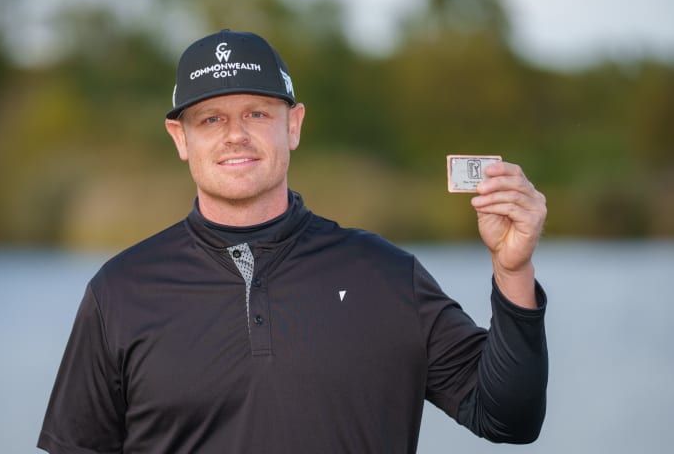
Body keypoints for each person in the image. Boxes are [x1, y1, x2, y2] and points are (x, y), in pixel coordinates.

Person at [37, 29, 548, 454]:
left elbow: (509, 418)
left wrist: (513, 271)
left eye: (257, 113)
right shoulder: (122, 291)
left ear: (293, 125)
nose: (235, 134)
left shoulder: (386, 275)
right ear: (180, 138)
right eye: (211, 118)